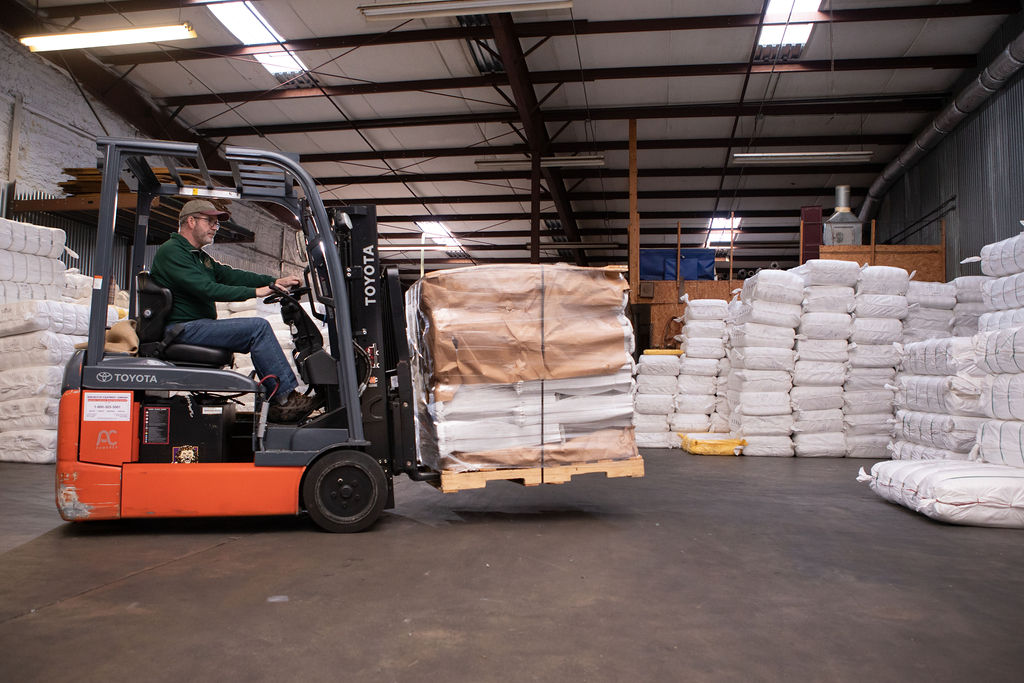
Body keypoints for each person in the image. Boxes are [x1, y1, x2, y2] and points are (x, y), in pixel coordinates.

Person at [150, 199, 320, 423]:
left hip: (195, 325)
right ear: (190, 221)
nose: (214, 227)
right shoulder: (173, 252)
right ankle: (285, 399)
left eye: (216, 223)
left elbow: (230, 275)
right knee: (257, 328)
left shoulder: (197, 256)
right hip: (183, 329)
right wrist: (256, 292)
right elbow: (207, 289)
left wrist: (273, 281)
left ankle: (281, 396)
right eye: (209, 221)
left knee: (256, 328)